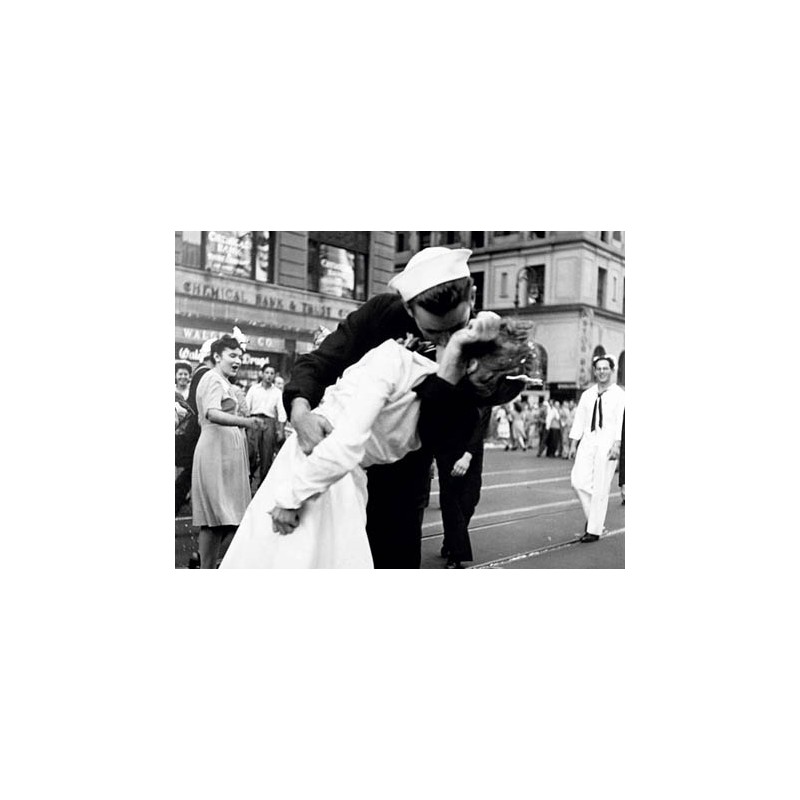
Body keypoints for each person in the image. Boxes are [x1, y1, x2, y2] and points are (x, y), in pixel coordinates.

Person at [221, 318, 532, 569]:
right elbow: (344, 439)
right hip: (327, 471)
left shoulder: (437, 393)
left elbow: (349, 445)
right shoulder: (404, 365)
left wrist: (292, 496)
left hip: (331, 476)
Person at [281, 246, 523, 568]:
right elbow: (321, 361)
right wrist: (300, 410)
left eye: (455, 326)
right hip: (339, 468)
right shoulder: (382, 315)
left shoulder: (480, 342)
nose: (446, 338)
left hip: (404, 481)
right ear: (409, 309)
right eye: (433, 331)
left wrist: (456, 365)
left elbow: (450, 428)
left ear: (473, 297)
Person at [192, 335, 268, 567]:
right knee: (218, 517)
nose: (237, 361)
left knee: (224, 518)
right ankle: (206, 563)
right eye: (232, 356)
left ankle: (207, 563)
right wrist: (245, 422)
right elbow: (211, 413)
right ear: (217, 356)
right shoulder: (212, 378)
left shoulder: (224, 381)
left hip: (225, 453)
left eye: (240, 357)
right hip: (216, 452)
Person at [568, 355, 625, 542]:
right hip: (588, 441)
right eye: (599, 368)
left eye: (605, 368)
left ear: (612, 370)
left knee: (601, 487)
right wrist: (573, 443)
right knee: (578, 481)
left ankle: (593, 530)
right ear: (595, 371)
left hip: (607, 444)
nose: (602, 372)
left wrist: (617, 444)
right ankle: (594, 519)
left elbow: (620, 423)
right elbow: (579, 420)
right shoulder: (588, 394)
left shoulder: (620, 395)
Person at [436, 405, 492, 568]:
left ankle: (451, 540)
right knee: (451, 500)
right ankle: (456, 553)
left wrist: (467, 456)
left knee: (470, 499)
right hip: (447, 447)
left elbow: (481, 424)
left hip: (473, 450)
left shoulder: (483, 387)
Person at [245, 364, 287, 488]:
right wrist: (246, 423)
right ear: (262, 374)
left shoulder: (277, 392)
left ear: (274, 376)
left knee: (267, 455)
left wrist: (280, 430)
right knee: (251, 452)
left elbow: (281, 412)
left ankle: (262, 486)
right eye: (267, 372)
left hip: (269, 422)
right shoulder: (253, 389)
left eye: (272, 373)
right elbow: (246, 407)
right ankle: (247, 481)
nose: (269, 376)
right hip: (254, 420)